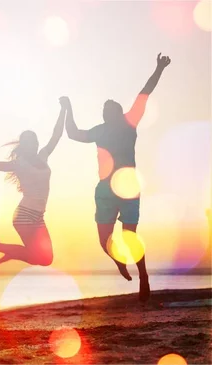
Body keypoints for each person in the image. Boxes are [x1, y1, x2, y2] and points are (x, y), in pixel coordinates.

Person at [64, 53, 172, 302]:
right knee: (104, 240)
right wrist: (68, 108)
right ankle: (119, 261)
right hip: (106, 189)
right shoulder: (99, 131)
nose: (105, 112)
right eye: (103, 110)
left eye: (108, 109)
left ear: (118, 112)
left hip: (127, 184)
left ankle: (143, 277)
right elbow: (72, 133)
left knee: (130, 237)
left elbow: (145, 92)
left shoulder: (128, 122)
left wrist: (159, 68)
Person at [0, 99, 66, 266]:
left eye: (35, 142)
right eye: (30, 143)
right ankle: (0, 247)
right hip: (24, 216)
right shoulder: (20, 164)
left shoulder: (43, 156)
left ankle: (9, 252)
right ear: (24, 146)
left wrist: (63, 109)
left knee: (47, 258)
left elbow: (56, 134)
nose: (35, 145)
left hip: (38, 216)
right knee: (40, 258)